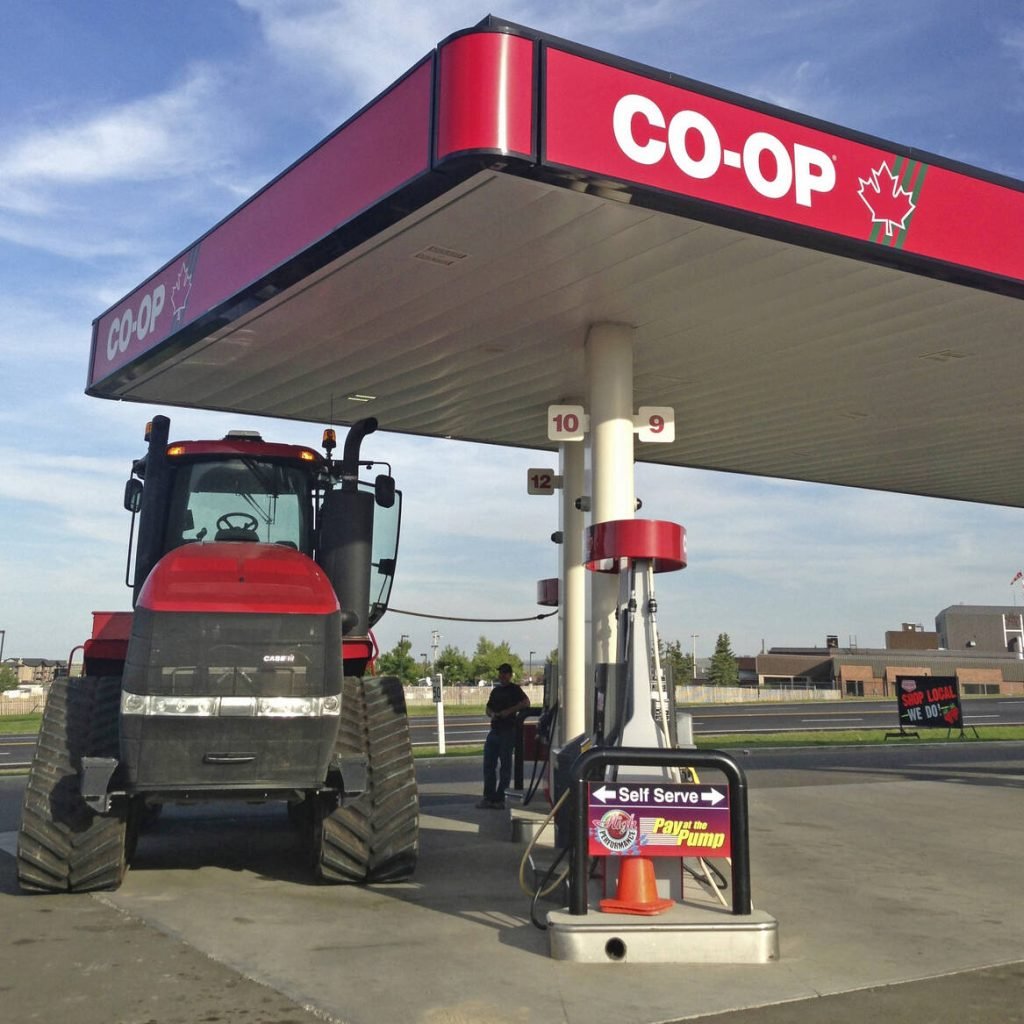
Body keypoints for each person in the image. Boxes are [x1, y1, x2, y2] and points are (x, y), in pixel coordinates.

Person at [477, 663, 530, 809]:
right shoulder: (496, 691)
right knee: (489, 765)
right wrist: (493, 714)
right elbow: (488, 708)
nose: (502, 675)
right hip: (495, 730)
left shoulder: (515, 689)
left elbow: (526, 702)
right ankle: (488, 797)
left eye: (505, 673)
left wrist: (509, 711)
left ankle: (500, 799)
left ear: (510, 675)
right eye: (501, 673)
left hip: (508, 730)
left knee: (505, 766)